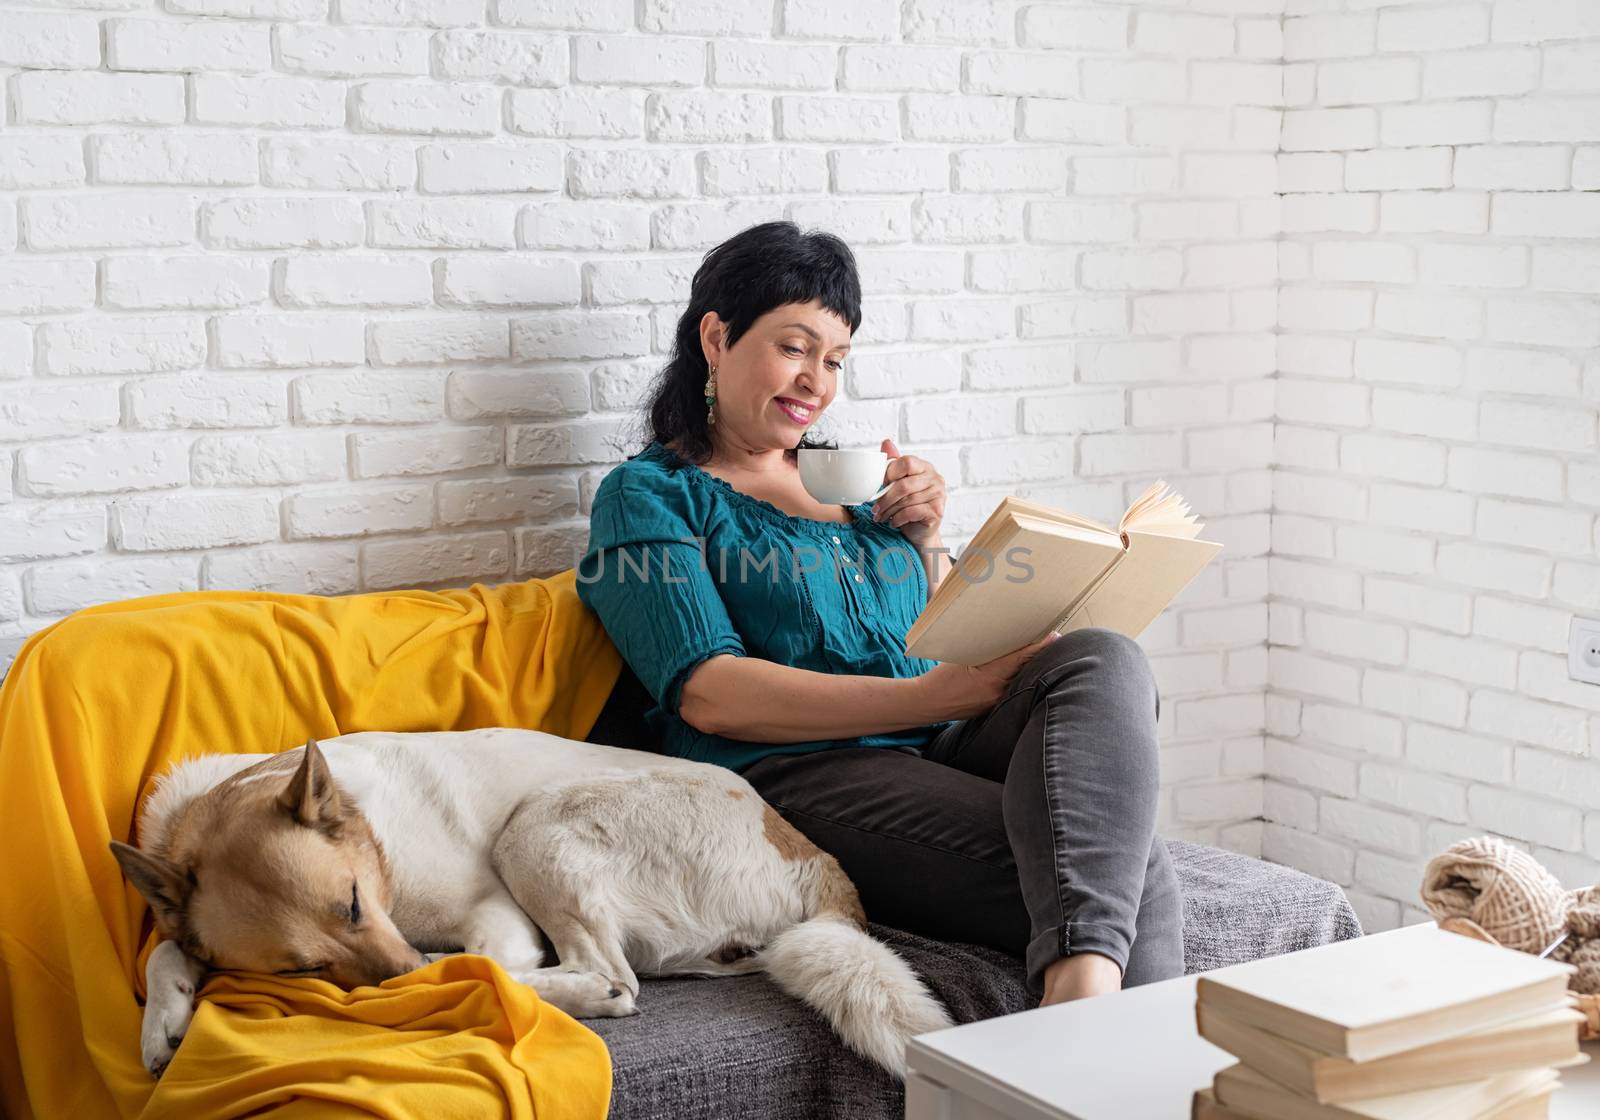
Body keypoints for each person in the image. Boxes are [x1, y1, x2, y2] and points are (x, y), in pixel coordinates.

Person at [575, 220, 1183, 1006]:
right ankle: (1089, 1020)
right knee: (1134, 872)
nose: (815, 382)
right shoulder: (650, 495)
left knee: (1102, 655)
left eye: (833, 360)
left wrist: (928, 540)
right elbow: (709, 692)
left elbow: (935, 635)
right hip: (794, 778)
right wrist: (932, 698)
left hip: (939, 745)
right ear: (717, 338)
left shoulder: (849, 481)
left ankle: (1078, 1016)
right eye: (795, 348)